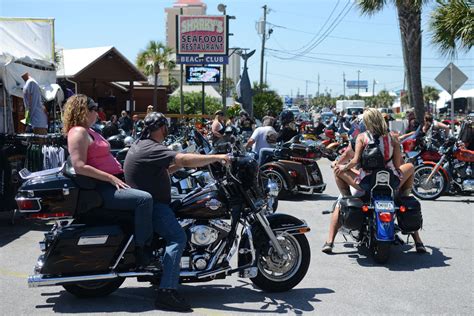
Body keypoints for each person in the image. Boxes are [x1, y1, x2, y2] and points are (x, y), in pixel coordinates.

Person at [124, 112, 230, 312]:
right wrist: (217, 157)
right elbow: (183, 159)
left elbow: (162, 169)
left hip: (149, 202)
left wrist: (178, 168)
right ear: (162, 128)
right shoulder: (152, 147)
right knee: (177, 238)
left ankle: (166, 272)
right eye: (166, 126)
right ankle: (167, 292)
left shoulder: (141, 144)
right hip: (154, 206)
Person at [62, 94, 154, 268]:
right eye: (94, 110)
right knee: (144, 199)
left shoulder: (89, 130)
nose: (97, 114)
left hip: (112, 182)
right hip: (102, 188)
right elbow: (80, 166)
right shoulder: (78, 132)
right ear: (83, 111)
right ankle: (143, 251)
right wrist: (111, 178)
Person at [322, 108, 426, 254]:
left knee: (338, 180)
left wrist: (344, 167)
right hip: (390, 183)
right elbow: (398, 165)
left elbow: (355, 160)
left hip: (366, 184)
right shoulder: (393, 137)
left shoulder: (361, 138)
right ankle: (418, 241)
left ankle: (330, 240)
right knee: (407, 178)